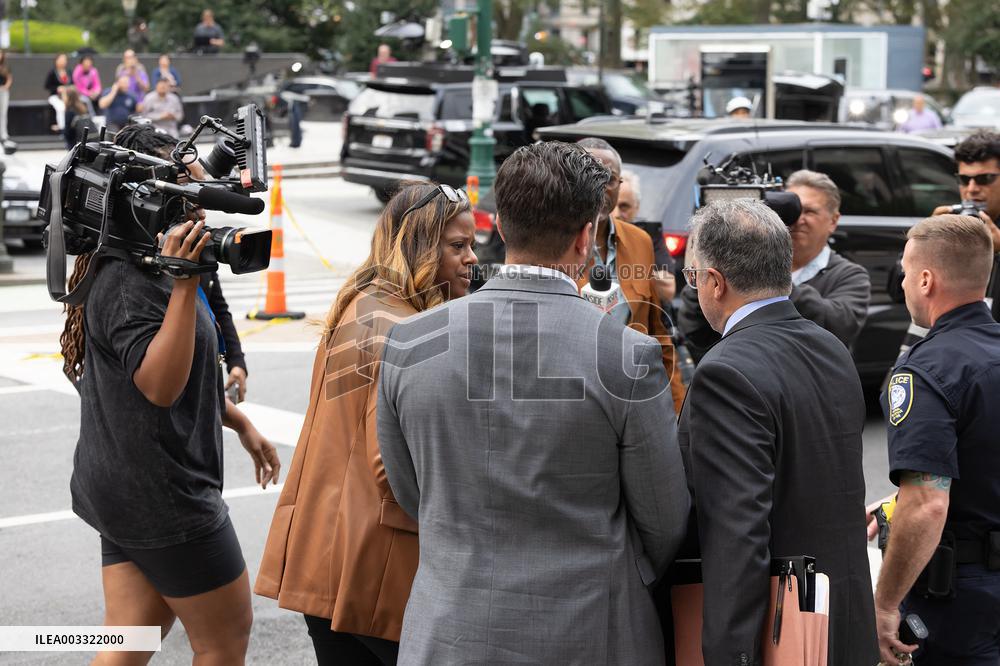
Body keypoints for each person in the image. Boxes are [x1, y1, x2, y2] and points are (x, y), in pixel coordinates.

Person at [377, 141, 690, 664]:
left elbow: (413, 492)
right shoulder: (627, 354)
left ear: (499, 225)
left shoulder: (409, 342)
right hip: (591, 627)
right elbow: (664, 519)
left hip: (451, 627)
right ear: (587, 236)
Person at [59, 131, 281, 665]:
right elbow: (160, 387)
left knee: (129, 640)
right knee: (224, 642)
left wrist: (237, 422)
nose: (193, 200)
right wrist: (185, 283)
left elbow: (171, 377)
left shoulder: (145, 264)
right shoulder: (134, 280)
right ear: (142, 198)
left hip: (126, 488)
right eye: (179, 189)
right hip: (164, 497)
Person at [256, 182, 477, 666]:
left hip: (321, 555)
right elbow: (394, 469)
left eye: (472, 246)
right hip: (375, 568)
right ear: (420, 246)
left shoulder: (359, 302)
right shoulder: (410, 331)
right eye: (458, 246)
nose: (472, 259)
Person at [676, 198, 877, 665]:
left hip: (780, 636)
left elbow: (737, 534)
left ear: (713, 282)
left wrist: (731, 655)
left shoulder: (724, 371)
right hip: (840, 622)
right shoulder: (830, 348)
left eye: (693, 278)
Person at [871, 215, 1000, 665]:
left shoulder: (926, 371)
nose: (903, 283)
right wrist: (891, 504)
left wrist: (886, 604)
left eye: (906, 272)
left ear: (926, 280)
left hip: (963, 596)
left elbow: (927, 502)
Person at [679, 169, 871, 358]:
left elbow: (839, 326)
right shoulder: (740, 265)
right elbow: (694, 331)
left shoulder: (850, 275)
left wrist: (769, 278)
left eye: (810, 211)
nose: (797, 220)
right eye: (792, 210)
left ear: (833, 221)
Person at [577, 137, 686, 412]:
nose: (600, 186)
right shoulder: (552, 244)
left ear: (620, 185)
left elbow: (657, 334)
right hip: (576, 400)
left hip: (633, 401)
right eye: (588, 174)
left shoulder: (640, 242)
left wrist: (677, 410)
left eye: (609, 178)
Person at [893, 130, 1000, 359]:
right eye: (964, 179)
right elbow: (896, 288)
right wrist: (924, 243)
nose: (971, 188)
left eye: (984, 179)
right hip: (943, 354)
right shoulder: (949, 223)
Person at [44, 53, 71, 132]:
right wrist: (57, 88)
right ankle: (63, 128)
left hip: (67, 96)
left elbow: (73, 84)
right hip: (55, 96)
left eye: (64, 59)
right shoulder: (52, 72)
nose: (63, 61)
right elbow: (47, 86)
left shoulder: (69, 72)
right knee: (61, 107)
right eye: (61, 59)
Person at [0, 50, 12, 149]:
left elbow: (9, 79)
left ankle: (4, 134)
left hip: (3, 92)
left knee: (3, 113)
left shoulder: (5, 67)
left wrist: (5, 87)